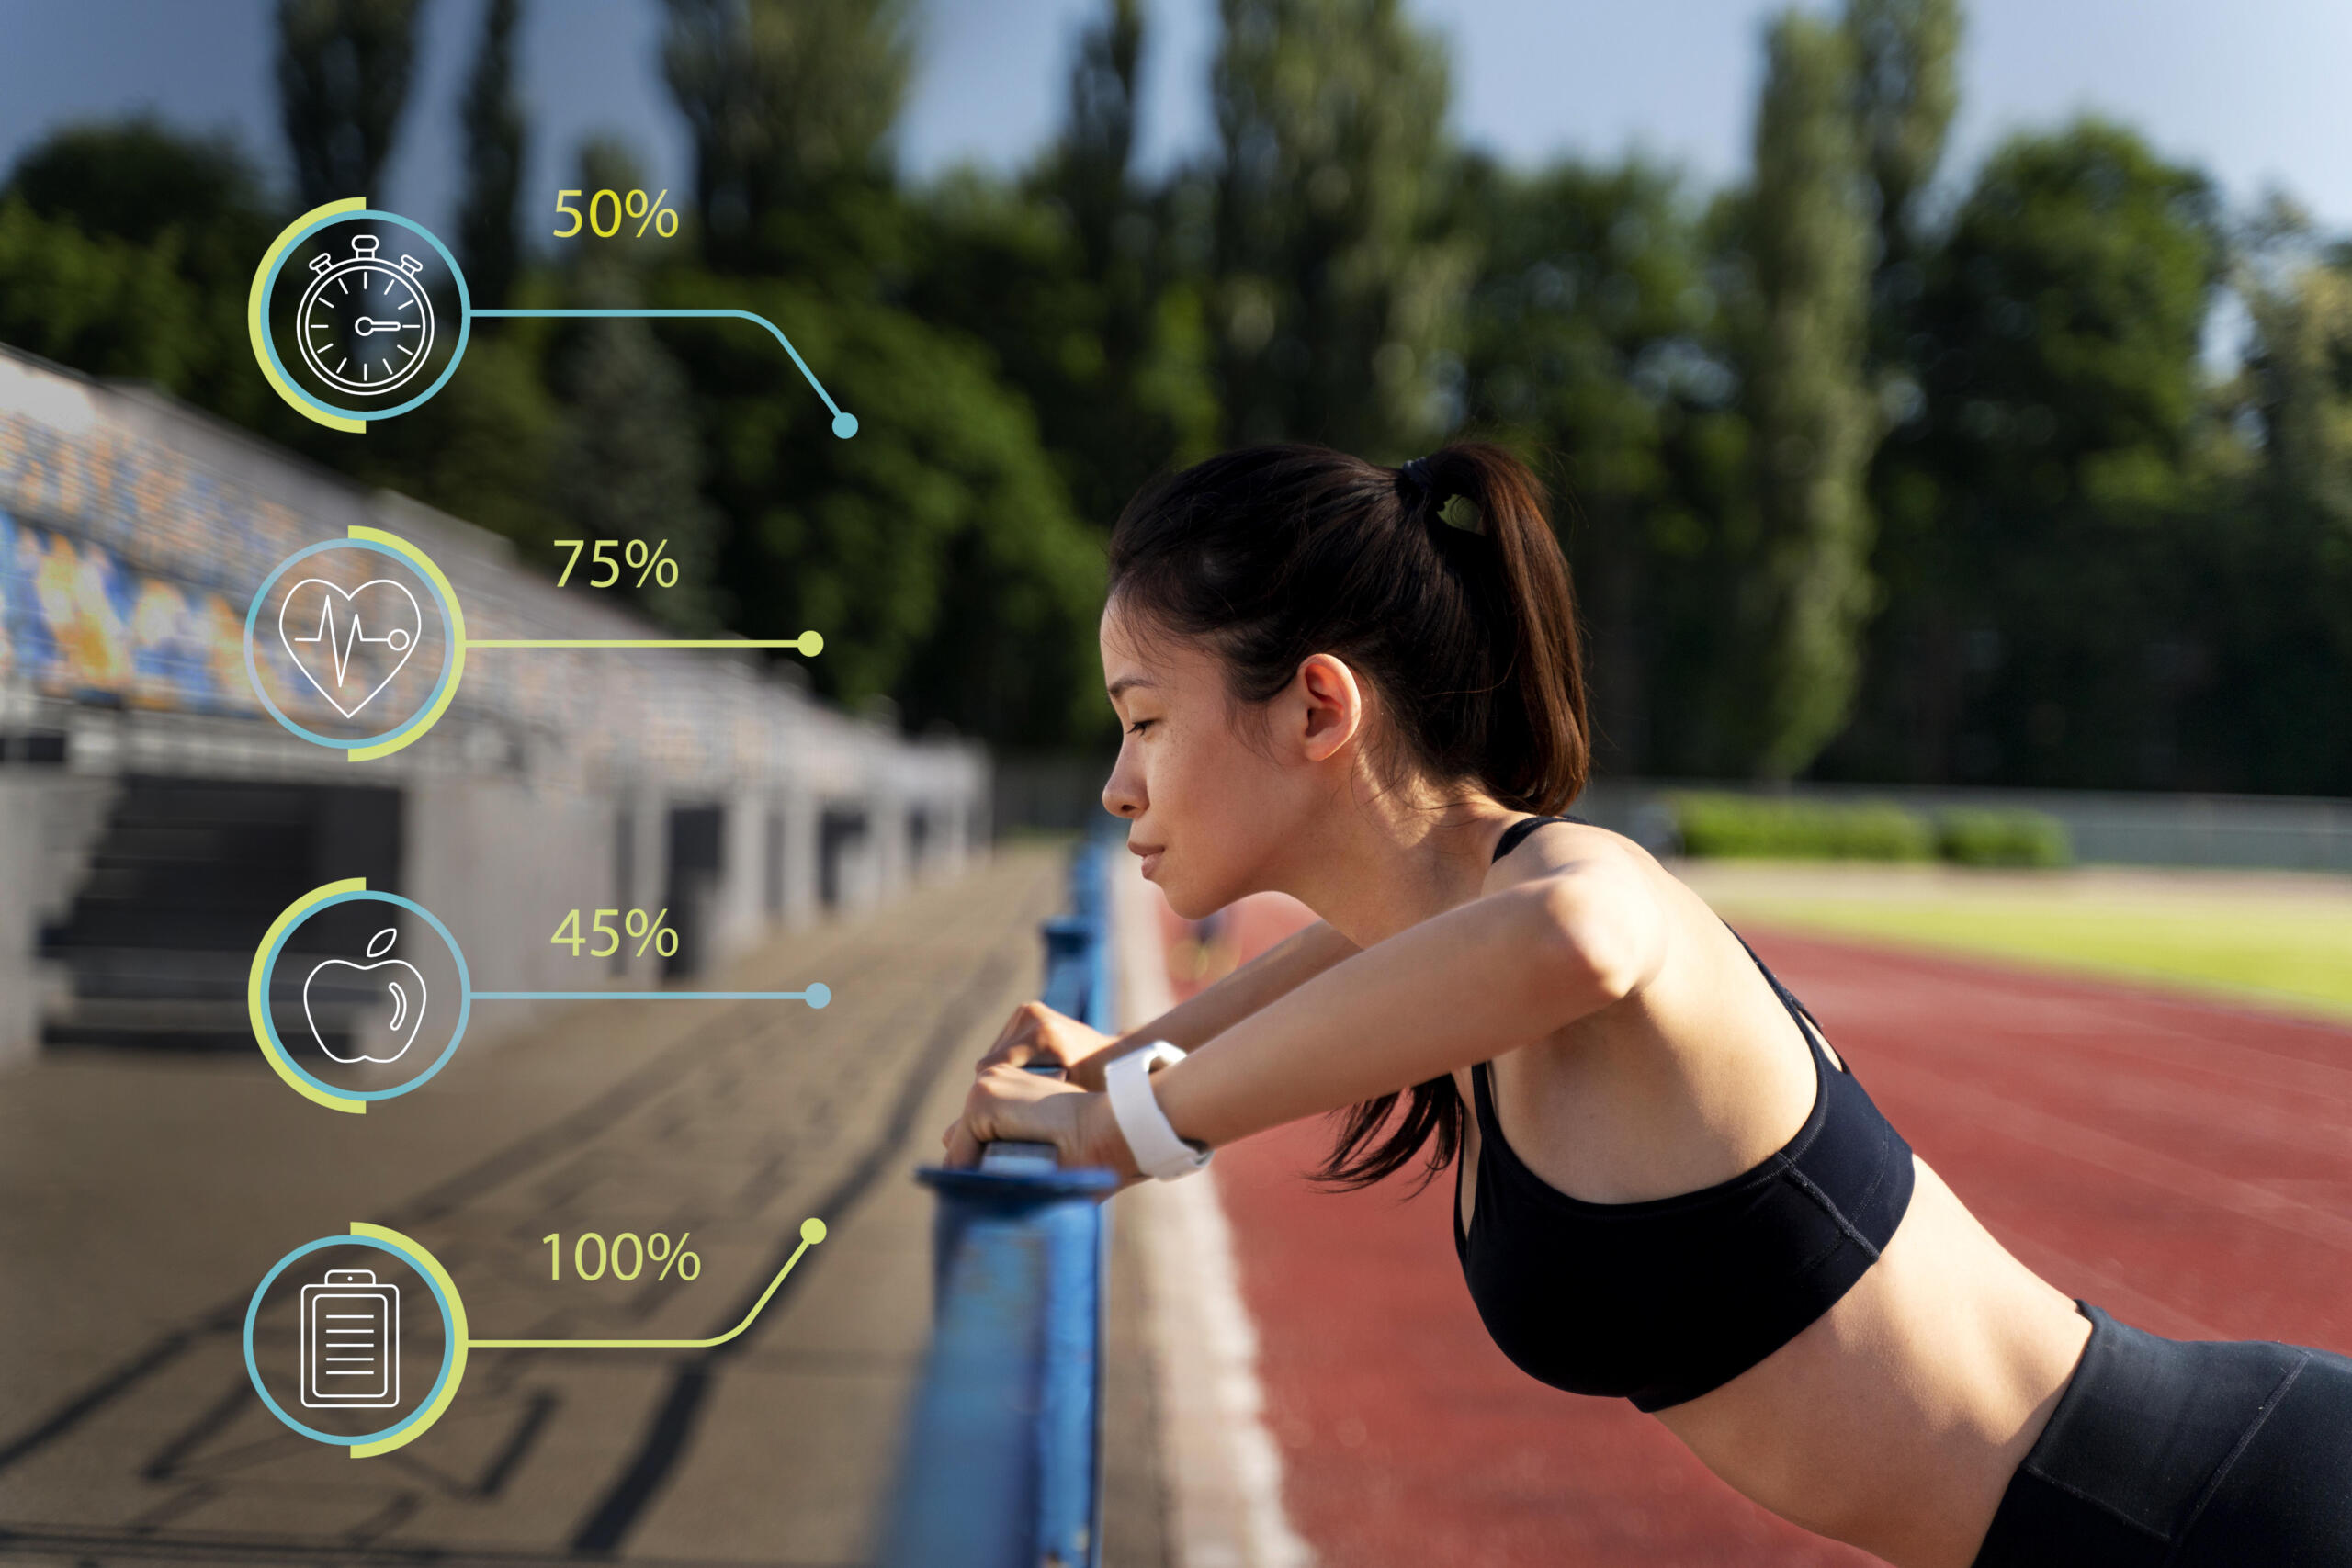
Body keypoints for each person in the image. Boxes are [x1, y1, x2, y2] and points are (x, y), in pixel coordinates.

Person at [939, 442, 2352, 1568]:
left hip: (2223, 1517)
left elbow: (1578, 938)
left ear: (1319, 708)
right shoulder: (1440, 925)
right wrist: (1120, 1061)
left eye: (1146, 720)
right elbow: (1339, 962)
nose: (1118, 783)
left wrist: (1133, 1124)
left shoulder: (1573, 883)